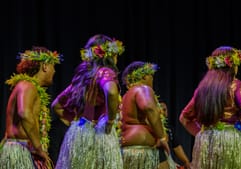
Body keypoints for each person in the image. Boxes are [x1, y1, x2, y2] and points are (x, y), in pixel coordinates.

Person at [179, 46, 241, 169]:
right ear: (233, 65)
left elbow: (184, 118)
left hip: (206, 143)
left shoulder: (202, 89)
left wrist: (204, 135)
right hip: (231, 141)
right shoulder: (235, 85)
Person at [53, 34, 125, 169]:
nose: (117, 58)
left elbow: (56, 105)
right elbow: (111, 91)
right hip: (98, 135)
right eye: (116, 54)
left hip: (78, 135)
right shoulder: (105, 72)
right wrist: (110, 120)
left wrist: (76, 123)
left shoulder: (82, 77)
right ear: (109, 55)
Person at [0, 46, 62, 169]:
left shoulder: (28, 86)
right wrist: (39, 148)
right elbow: (24, 113)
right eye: (53, 66)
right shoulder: (27, 85)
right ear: (44, 66)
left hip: (26, 149)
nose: (54, 71)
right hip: (21, 150)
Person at [121, 61, 170, 169]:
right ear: (143, 76)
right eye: (150, 76)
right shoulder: (142, 89)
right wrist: (162, 137)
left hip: (127, 149)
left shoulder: (126, 96)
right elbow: (149, 108)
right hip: (142, 150)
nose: (152, 79)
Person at [158, 101, 191, 169]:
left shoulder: (169, 128)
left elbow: (177, 147)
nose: (163, 112)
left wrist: (186, 161)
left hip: (168, 161)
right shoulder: (149, 128)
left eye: (165, 110)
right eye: (160, 109)